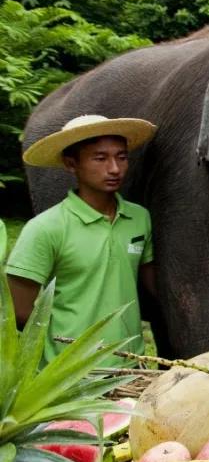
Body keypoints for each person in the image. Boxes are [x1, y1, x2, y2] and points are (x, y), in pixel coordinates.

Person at [5, 115, 157, 367]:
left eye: (121, 157)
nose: (114, 168)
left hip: (131, 367)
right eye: (100, 158)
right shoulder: (46, 228)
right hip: (69, 372)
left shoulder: (139, 218)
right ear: (71, 164)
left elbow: (153, 286)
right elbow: (20, 311)